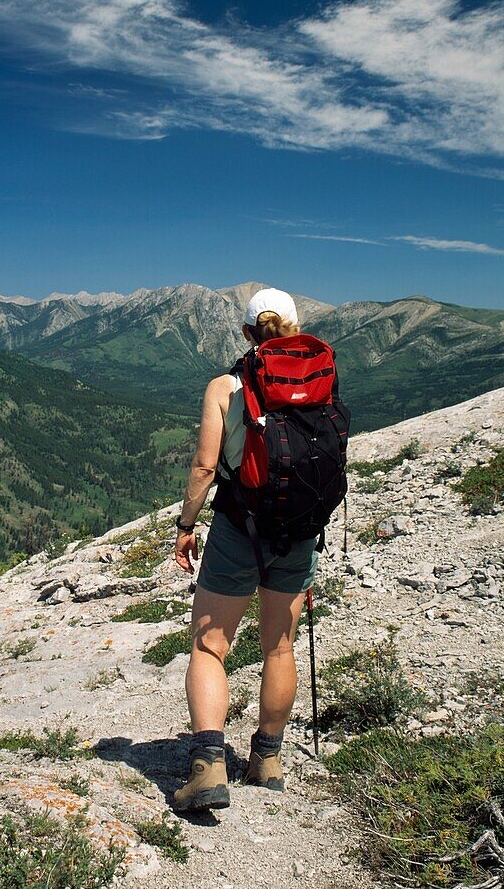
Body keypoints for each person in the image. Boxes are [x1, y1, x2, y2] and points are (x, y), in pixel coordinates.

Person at [172, 288, 319, 812]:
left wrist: (186, 524)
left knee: (211, 645)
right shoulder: (320, 383)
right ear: (297, 328)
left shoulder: (224, 387)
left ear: (245, 334)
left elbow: (205, 467)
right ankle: (268, 760)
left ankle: (209, 766)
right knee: (279, 646)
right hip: (299, 529)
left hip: (240, 527)